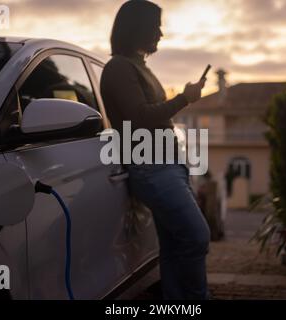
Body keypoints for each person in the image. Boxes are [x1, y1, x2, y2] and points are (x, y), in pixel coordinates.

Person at [100, 0, 210, 300]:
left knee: (175, 245)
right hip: (152, 168)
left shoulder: (140, 66)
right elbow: (140, 117)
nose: (160, 33)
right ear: (137, 28)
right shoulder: (118, 67)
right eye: (155, 26)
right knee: (197, 236)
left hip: (168, 165)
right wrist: (184, 99)